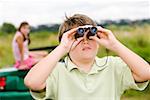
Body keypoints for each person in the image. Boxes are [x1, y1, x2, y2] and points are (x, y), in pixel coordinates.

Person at [24, 14, 150, 100]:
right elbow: (32, 82)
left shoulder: (113, 66)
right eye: (77, 37)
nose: (85, 41)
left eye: (90, 36)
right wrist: (62, 48)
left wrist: (115, 45)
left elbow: (146, 72)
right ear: (66, 42)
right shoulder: (57, 71)